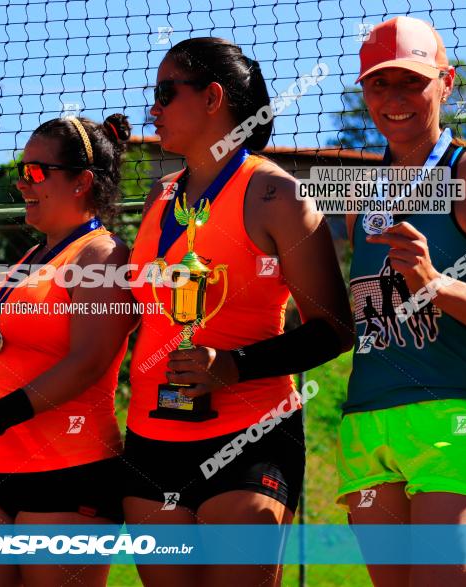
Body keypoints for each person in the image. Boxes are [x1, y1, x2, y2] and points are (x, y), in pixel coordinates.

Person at [123, 37, 354, 586]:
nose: (151, 108)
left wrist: (231, 365)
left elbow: (335, 329)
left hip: (249, 436)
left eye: (164, 92)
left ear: (213, 99)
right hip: (151, 437)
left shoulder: (276, 194)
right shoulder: (162, 194)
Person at [340, 16, 466, 586]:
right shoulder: (357, 192)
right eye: (378, 83)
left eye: (411, 81)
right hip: (368, 421)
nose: (394, 98)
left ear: (446, 82)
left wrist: (436, 281)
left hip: (458, 414)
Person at [0, 113, 137, 587]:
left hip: (72, 472)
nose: (22, 183)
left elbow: (88, 362)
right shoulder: (28, 260)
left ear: (81, 182)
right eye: (21, 171)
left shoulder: (101, 254)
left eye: (35, 172)